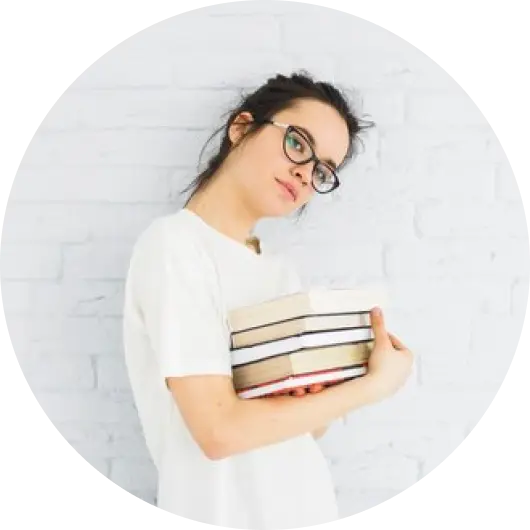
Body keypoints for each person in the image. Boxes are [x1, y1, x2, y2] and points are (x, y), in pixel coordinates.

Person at [122, 71, 413, 527]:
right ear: (241, 128)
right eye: (298, 143)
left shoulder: (280, 272)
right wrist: (371, 387)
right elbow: (218, 432)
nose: (305, 173)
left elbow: (311, 428)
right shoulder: (175, 247)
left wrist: (341, 368)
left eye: (322, 170)